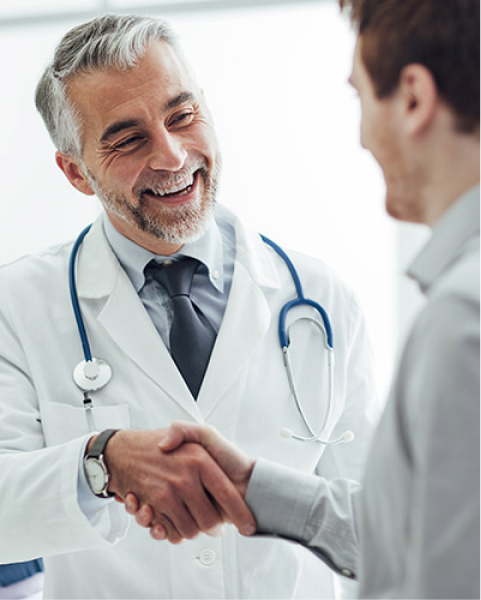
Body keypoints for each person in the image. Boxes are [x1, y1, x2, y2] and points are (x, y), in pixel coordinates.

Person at [0, 14, 377, 600]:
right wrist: (101, 460)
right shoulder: (19, 306)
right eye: (128, 139)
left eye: (182, 116)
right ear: (75, 172)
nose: (173, 156)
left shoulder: (319, 297)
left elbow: (376, 524)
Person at [142, 0, 481, 598]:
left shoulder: (462, 319)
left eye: (359, 98)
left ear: (412, 98)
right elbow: (412, 530)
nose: (360, 137)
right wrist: (253, 487)